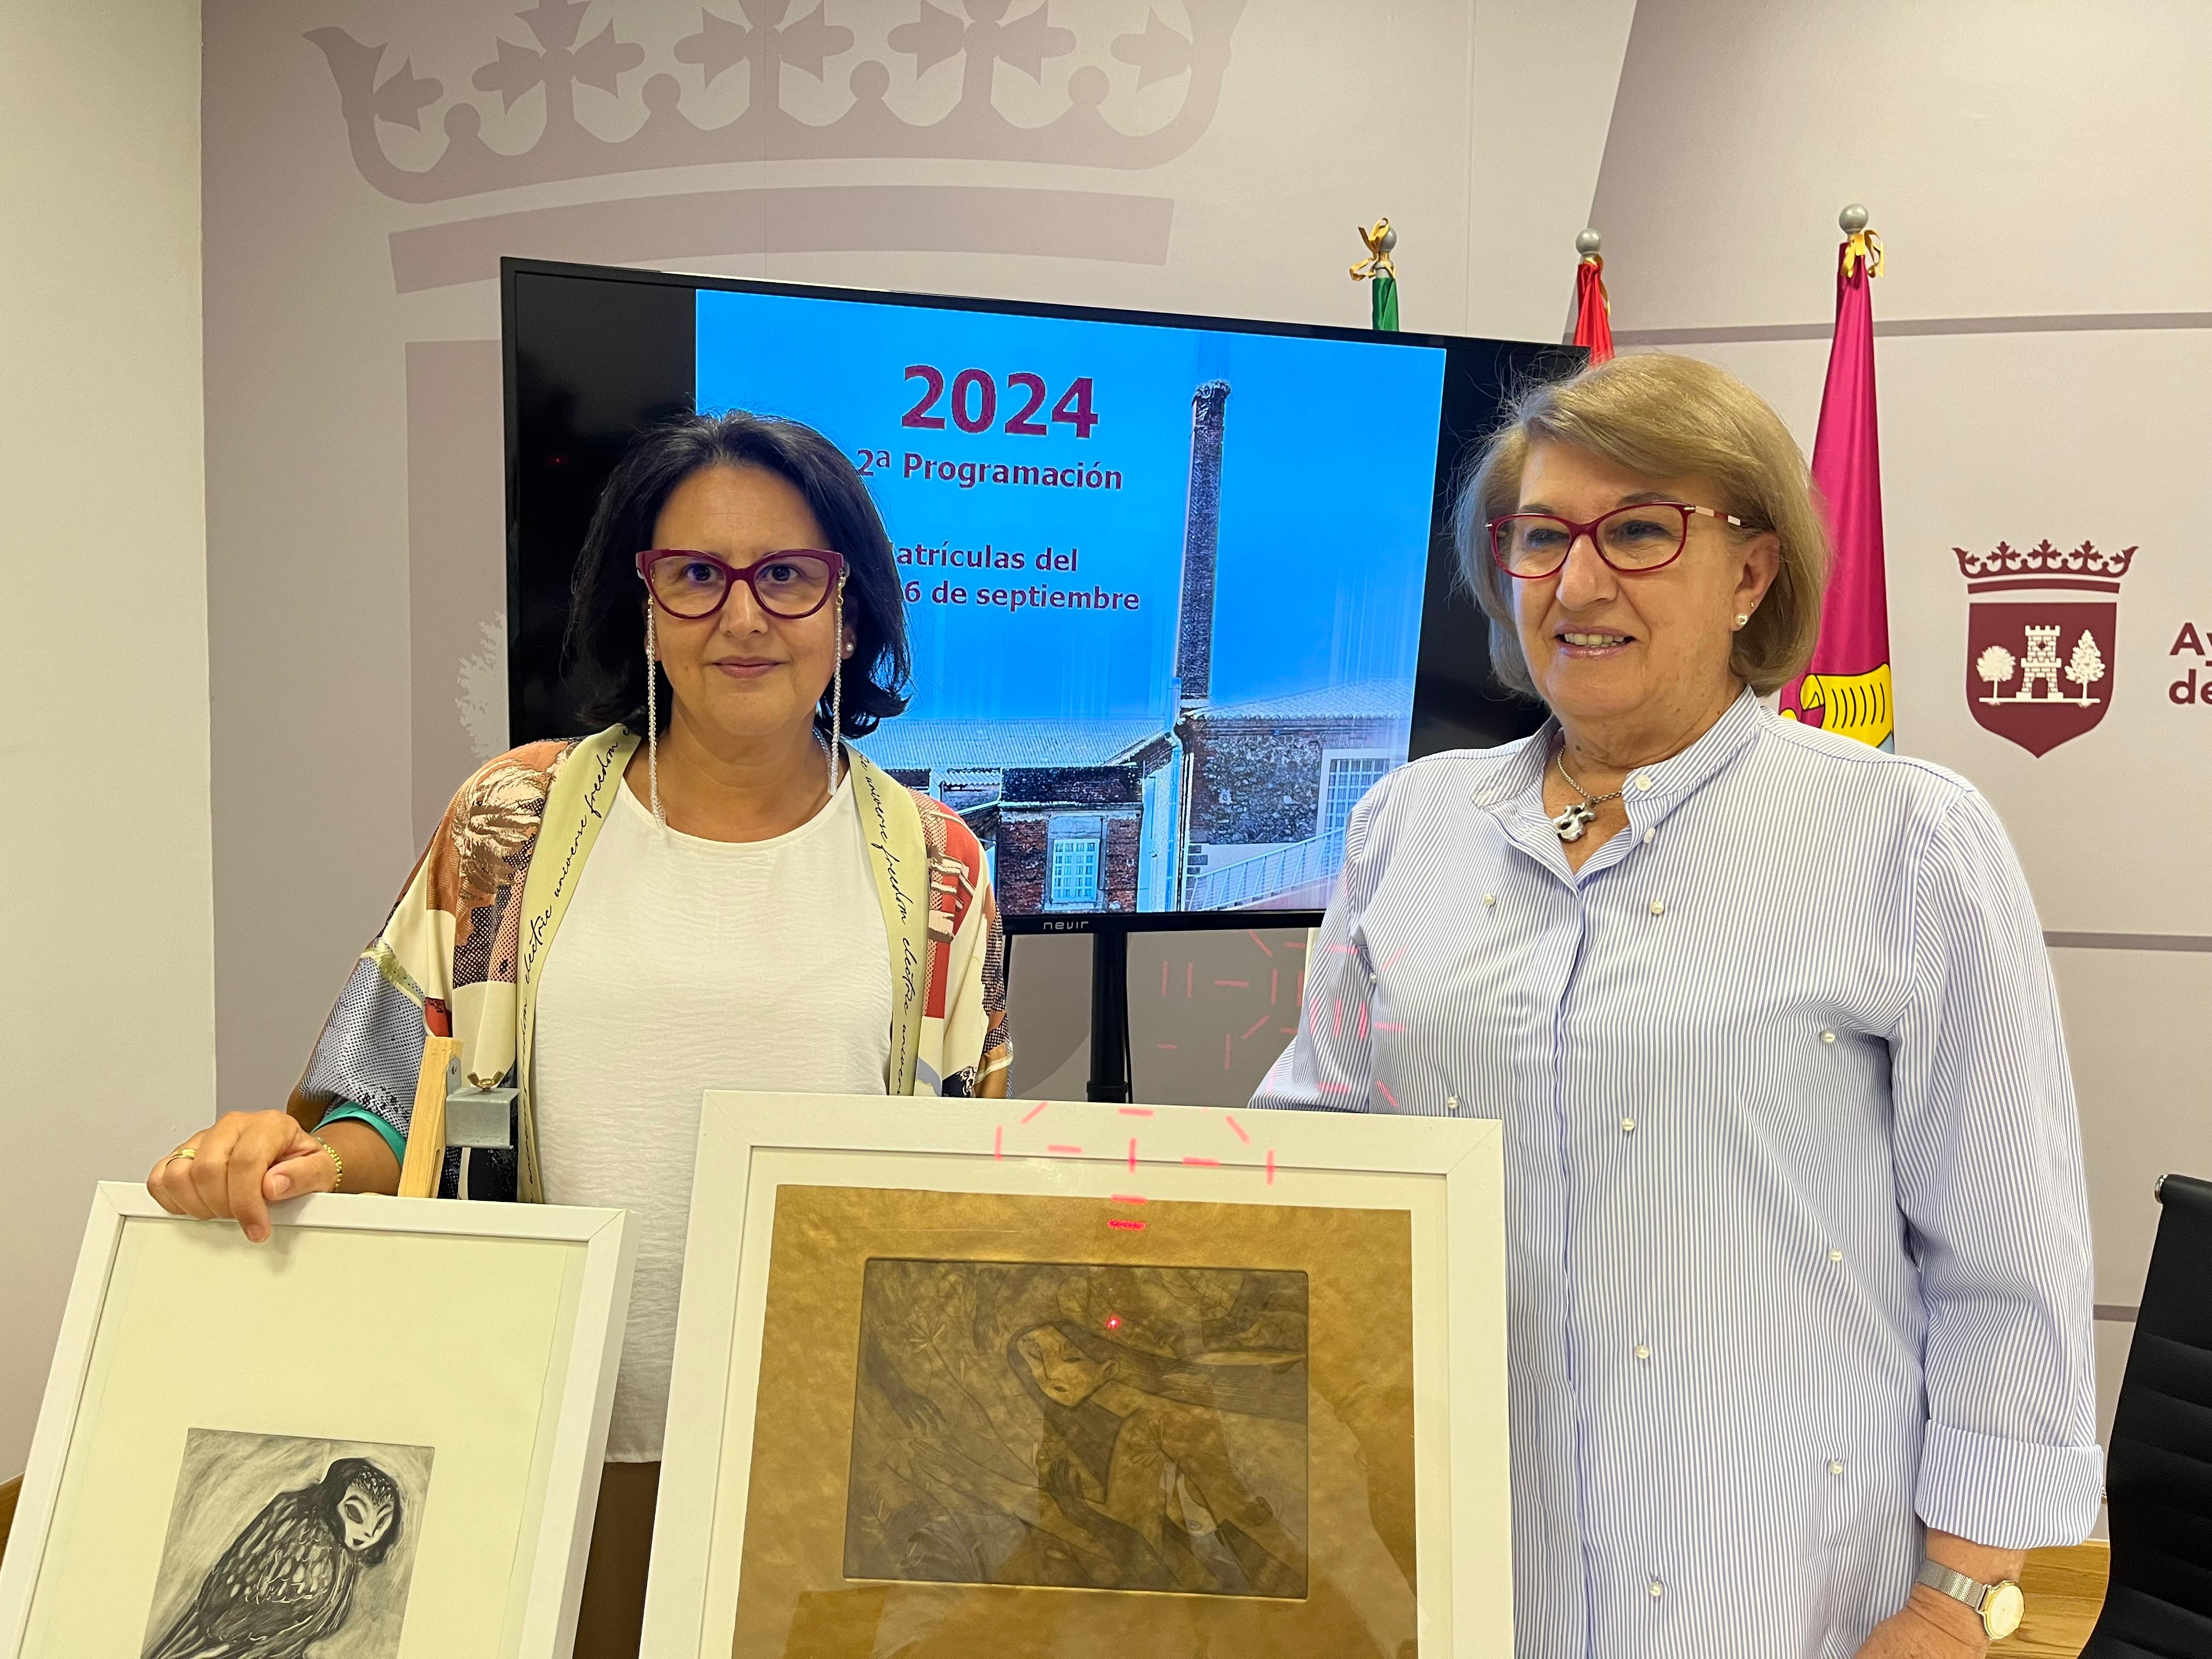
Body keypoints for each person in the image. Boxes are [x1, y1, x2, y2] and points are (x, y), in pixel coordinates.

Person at [1254, 353, 2100, 1658]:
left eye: (1642, 530)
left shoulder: (1906, 839)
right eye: (1542, 538)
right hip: (1457, 1571)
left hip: (1780, 1591)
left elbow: (2005, 1254)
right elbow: (1321, 1143)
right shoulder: (1406, 826)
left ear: (1753, 571)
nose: (1580, 583)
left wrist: (1959, 1601)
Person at [146, 410, 1012, 1649]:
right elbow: (385, 1105)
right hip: (534, 1435)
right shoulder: (511, 820)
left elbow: (964, 1191)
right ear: (645, 603)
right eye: (696, 576)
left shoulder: (941, 870)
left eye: (789, 575)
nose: (744, 615)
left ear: (851, 608)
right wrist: (294, 1162)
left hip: (814, 1465)